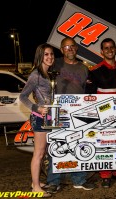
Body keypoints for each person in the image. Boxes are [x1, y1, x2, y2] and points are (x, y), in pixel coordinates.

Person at [45, 37, 96, 194]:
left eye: (72, 46)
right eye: (66, 47)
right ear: (61, 50)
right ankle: (54, 181)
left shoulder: (83, 68)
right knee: (56, 147)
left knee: (78, 145)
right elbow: (40, 78)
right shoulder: (55, 63)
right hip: (57, 111)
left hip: (77, 112)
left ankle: (79, 179)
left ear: (76, 48)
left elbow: (85, 89)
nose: (70, 49)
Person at [86, 38, 116, 188]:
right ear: (102, 51)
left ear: (115, 49)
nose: (109, 50)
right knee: (104, 145)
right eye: (106, 48)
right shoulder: (94, 71)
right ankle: (105, 175)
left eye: (112, 47)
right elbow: (90, 95)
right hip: (103, 115)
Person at [19, 43, 55, 198]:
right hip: (40, 118)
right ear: (40, 56)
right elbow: (22, 97)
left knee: (43, 152)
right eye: (46, 54)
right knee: (39, 153)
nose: (50, 57)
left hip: (48, 118)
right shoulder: (36, 75)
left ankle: (36, 183)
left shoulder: (48, 74)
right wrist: (37, 108)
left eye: (52, 54)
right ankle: (35, 189)